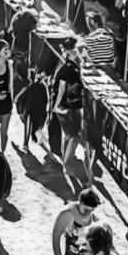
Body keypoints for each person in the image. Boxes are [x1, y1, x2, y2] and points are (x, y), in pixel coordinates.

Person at [52, 48, 87, 189]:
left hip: (73, 105)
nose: (79, 52)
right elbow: (60, 88)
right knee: (75, 137)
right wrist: (56, 106)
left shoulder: (74, 65)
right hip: (65, 106)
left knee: (69, 136)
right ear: (70, 53)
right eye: (76, 51)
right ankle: (66, 164)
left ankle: (65, 162)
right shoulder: (66, 68)